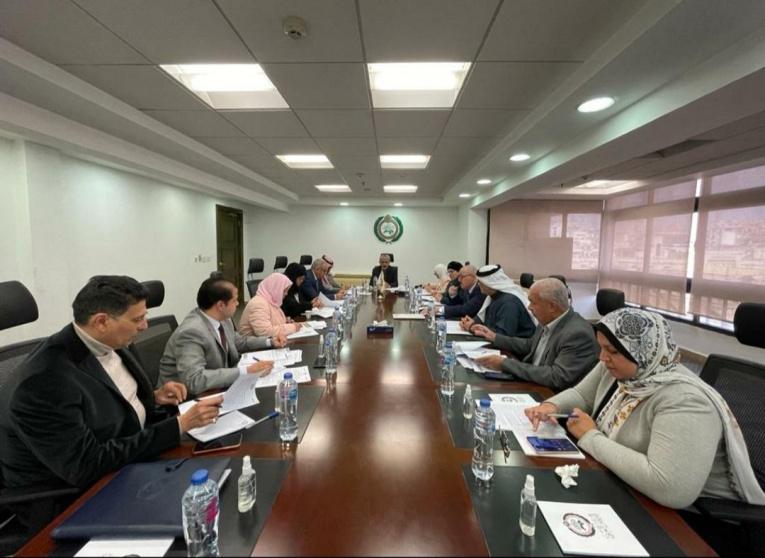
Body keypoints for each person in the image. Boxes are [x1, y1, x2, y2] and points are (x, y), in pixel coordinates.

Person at [0, 276, 222, 530]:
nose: (144, 326)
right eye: (137, 319)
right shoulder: (42, 382)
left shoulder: (109, 342)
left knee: (215, 482)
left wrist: (152, 396)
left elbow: (105, 400)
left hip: (128, 461)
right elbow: (87, 465)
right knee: (201, 520)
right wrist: (178, 426)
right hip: (76, 497)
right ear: (102, 321)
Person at [525, 308, 765, 509]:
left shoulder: (686, 402)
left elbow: (670, 488)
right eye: (602, 347)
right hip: (624, 482)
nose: (602, 358)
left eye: (612, 351)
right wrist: (550, 405)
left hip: (690, 518)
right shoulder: (621, 368)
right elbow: (581, 395)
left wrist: (589, 436)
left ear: (644, 352)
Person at [158, 277, 279, 396]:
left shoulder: (223, 319)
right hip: (184, 398)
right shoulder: (192, 331)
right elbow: (194, 380)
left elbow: (238, 342)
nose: (238, 304)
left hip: (216, 387)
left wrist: (270, 341)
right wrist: (246, 371)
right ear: (221, 305)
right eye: (235, 300)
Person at [472, 278, 598, 390]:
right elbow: (531, 345)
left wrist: (505, 364)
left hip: (548, 393)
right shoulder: (548, 319)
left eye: (533, 302)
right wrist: (494, 337)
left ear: (552, 307)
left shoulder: (577, 334)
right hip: (531, 381)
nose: (529, 307)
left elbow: (556, 377)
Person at [460, 264, 535, 338]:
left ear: (490, 284)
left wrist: (472, 327)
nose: (478, 284)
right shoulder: (492, 297)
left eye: (481, 282)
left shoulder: (509, 303)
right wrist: (471, 322)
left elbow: (502, 335)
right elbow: (484, 321)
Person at [239, 273, 301, 338]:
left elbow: (272, 321)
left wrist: (286, 322)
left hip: (270, 341)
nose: (286, 294)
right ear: (275, 289)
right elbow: (264, 332)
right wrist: (292, 327)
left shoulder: (271, 301)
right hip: (254, 344)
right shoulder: (258, 304)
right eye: (284, 290)